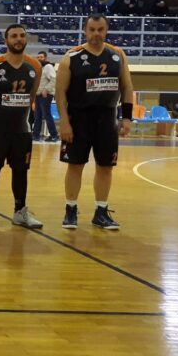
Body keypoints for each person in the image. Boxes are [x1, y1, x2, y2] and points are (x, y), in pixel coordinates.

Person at [55, 14, 134, 230]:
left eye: (100, 29)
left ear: (106, 31)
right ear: (85, 31)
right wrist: (64, 122)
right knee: (75, 165)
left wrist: (127, 117)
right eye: (92, 30)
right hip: (78, 119)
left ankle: (101, 212)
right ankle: (71, 209)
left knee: (106, 166)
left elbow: (127, 87)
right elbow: (60, 92)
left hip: (107, 118)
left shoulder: (118, 55)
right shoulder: (71, 56)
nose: (96, 34)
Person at [0, 24, 44, 229]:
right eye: (13, 36)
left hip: (22, 130)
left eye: (22, 35)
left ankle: (20, 211)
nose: (18, 39)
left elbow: (31, 95)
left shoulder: (35, 66)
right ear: (6, 40)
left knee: (21, 171)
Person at [32, 50, 58, 142]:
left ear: (45, 58)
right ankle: (35, 135)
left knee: (47, 115)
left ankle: (54, 135)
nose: (39, 59)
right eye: (38, 57)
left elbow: (54, 79)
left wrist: (46, 89)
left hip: (46, 95)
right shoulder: (39, 68)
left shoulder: (48, 66)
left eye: (41, 57)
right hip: (38, 95)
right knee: (37, 116)